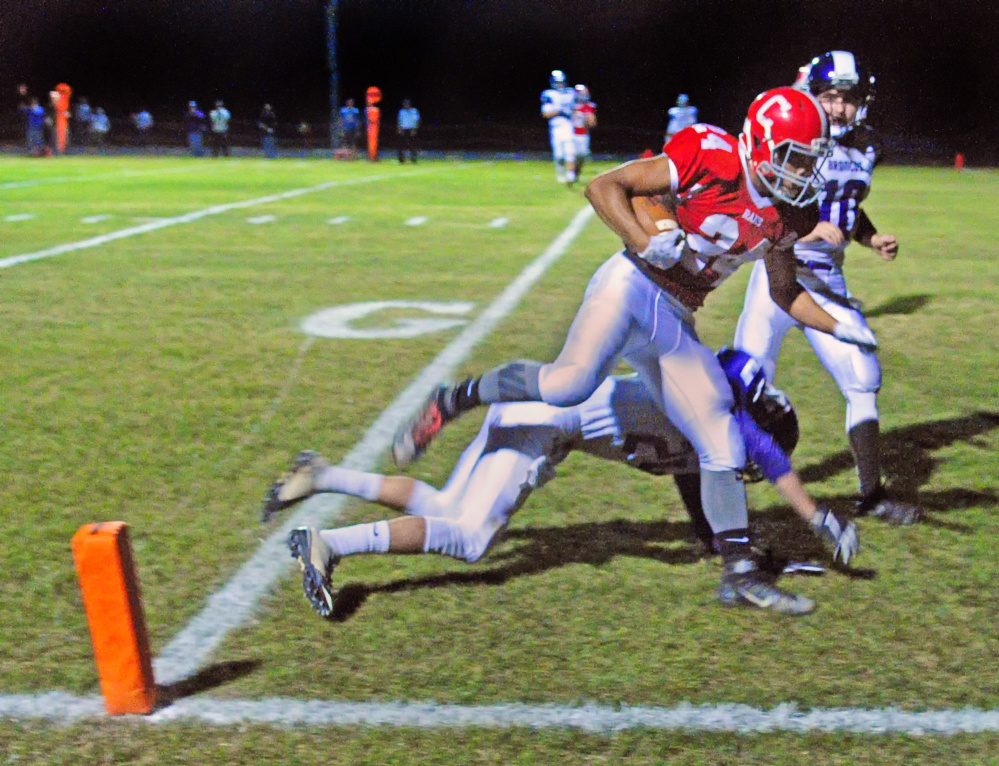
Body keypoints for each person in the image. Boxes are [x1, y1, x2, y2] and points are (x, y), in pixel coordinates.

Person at [393, 86, 880, 615]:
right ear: (760, 144)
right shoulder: (713, 154)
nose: (803, 172)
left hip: (675, 316)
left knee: (719, 435)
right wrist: (643, 239)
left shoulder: (789, 214)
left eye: (811, 160)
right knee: (567, 385)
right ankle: (459, 396)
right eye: (794, 158)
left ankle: (738, 573)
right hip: (629, 287)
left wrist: (838, 326)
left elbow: (784, 292)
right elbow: (605, 186)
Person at [274, 350, 859, 618]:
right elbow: (769, 460)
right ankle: (331, 545)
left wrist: (740, 553)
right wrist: (817, 518)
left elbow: (700, 503)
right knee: (471, 537)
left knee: (448, 503)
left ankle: (323, 475)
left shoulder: (704, 418)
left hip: (538, 419)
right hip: (545, 423)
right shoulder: (722, 416)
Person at [733, 52, 920, 526]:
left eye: (848, 98)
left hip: (827, 280)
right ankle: (725, 511)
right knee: (745, 386)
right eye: (830, 97)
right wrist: (807, 228)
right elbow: (761, 195)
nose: (838, 108)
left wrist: (870, 237)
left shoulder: (866, 147)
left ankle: (873, 495)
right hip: (778, 272)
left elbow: (846, 207)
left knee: (863, 377)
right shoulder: (796, 136)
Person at [541, 70, 578, 186]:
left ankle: (570, 175)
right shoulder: (548, 94)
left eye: (561, 82)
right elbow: (546, 114)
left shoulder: (571, 93)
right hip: (556, 127)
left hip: (569, 126)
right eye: (557, 82)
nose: (560, 84)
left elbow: (577, 108)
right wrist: (561, 111)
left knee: (570, 151)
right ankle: (561, 172)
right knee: (559, 155)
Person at [572, 84, 597, 180]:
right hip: (571, 134)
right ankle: (569, 174)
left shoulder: (589, 106)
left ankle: (576, 173)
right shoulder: (571, 105)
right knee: (571, 155)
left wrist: (588, 117)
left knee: (582, 156)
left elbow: (593, 124)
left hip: (583, 135)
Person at [396, 99, 420, 164]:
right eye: (404, 104)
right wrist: (399, 129)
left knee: (412, 145)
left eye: (407, 104)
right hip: (403, 129)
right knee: (401, 145)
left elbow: (416, 120)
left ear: (409, 104)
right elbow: (399, 120)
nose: (405, 105)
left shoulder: (414, 111)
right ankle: (401, 159)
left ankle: (413, 158)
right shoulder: (401, 111)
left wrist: (415, 129)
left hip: (411, 129)